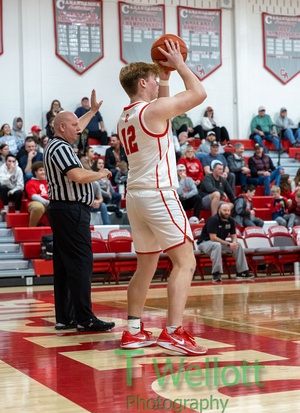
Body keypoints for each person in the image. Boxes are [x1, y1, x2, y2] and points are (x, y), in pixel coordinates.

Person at [118, 37, 207, 355]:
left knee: (145, 266)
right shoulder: (152, 111)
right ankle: (173, 332)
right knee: (186, 263)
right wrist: (181, 65)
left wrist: (166, 78)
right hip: (158, 194)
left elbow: (165, 116)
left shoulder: (126, 117)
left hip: (136, 197)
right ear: (143, 83)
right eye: (154, 78)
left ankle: (132, 330)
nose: (158, 81)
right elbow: (199, 94)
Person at [43, 90, 115, 333]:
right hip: (70, 210)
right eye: (74, 125)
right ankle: (85, 318)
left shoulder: (56, 142)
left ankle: (66, 317)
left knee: (64, 265)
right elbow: (77, 175)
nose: (79, 129)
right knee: (82, 262)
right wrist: (101, 174)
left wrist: (92, 112)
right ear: (62, 127)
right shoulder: (61, 147)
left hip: (63, 210)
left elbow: (75, 125)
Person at [197, 203, 254, 282]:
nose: (227, 212)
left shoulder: (231, 220)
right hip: (205, 243)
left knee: (238, 245)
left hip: (219, 244)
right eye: (224, 210)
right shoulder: (213, 219)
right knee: (216, 245)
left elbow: (234, 235)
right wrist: (228, 244)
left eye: (228, 210)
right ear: (219, 211)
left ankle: (242, 272)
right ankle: (216, 273)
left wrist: (233, 243)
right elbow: (213, 238)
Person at [25, 161, 49, 227]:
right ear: (35, 172)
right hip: (35, 202)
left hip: (49, 202)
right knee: (38, 207)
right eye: (40, 170)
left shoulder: (49, 182)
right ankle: (32, 227)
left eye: (44, 170)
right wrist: (47, 202)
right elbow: (33, 196)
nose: (43, 172)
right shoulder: (30, 182)